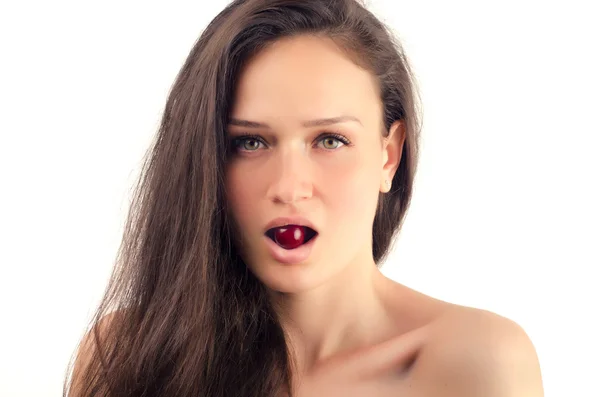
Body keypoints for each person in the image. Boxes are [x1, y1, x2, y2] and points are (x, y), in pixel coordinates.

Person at [65, 0, 544, 396]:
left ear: (388, 155)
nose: (290, 187)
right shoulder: (126, 354)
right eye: (249, 142)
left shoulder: (476, 363)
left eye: (330, 140)